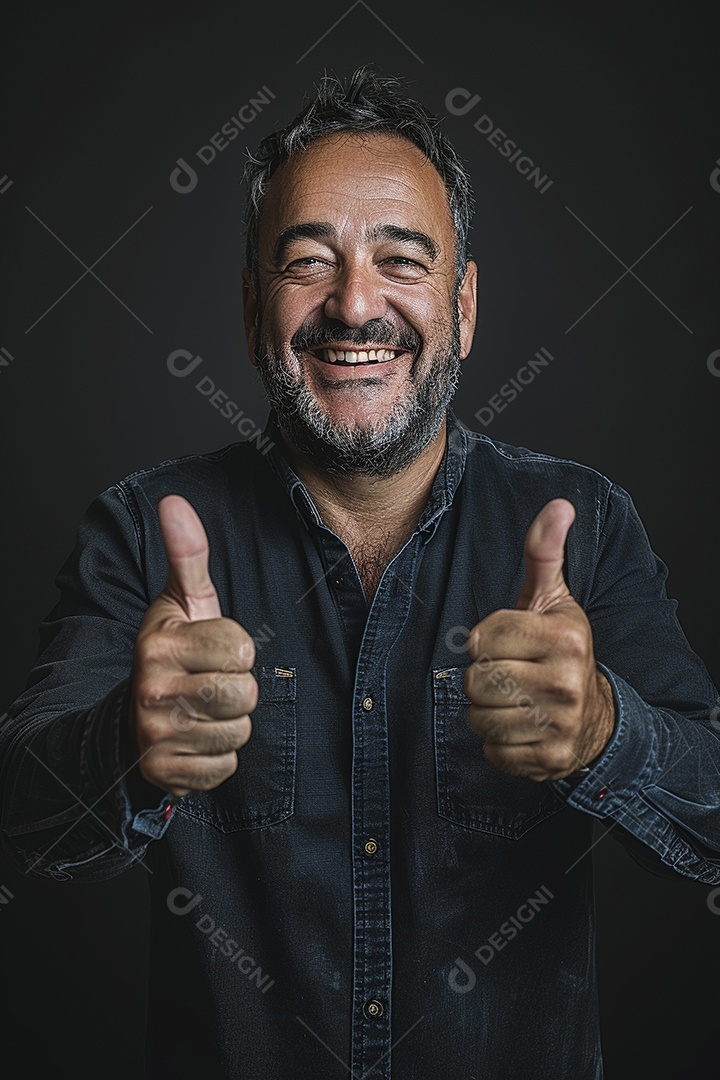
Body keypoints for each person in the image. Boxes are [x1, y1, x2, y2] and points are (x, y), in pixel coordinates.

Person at [1, 66, 719, 1080]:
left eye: (401, 260)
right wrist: (126, 742)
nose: (354, 304)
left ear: (463, 306)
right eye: (308, 261)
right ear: (251, 308)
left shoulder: (585, 523)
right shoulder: (142, 530)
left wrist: (606, 731)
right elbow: (23, 814)